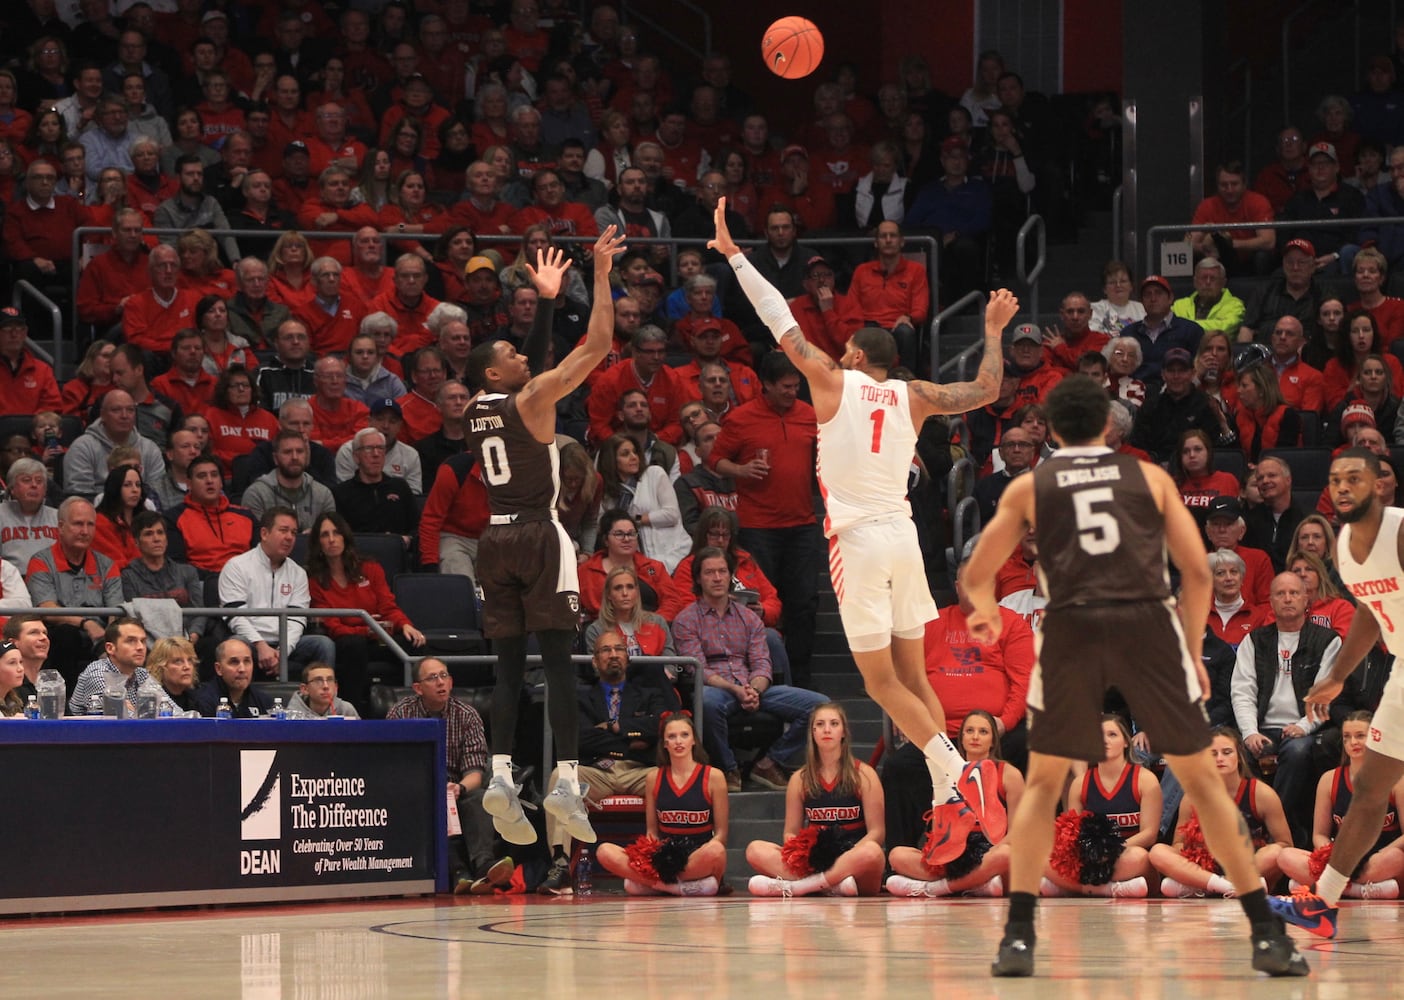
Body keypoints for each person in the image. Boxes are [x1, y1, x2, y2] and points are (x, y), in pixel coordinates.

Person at [962, 375, 1308, 977]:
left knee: (1043, 787)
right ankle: (1265, 933)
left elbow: (974, 574)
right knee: (1202, 783)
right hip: (1146, 624)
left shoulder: (1032, 484)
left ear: (1052, 435)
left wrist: (988, 614)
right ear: (1107, 428)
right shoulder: (1149, 478)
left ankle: (1018, 935)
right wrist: (1192, 652)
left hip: (1070, 627)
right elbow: (1197, 572)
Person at [711, 196, 1017, 846]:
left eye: (845, 348)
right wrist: (991, 330)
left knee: (879, 685)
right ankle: (950, 802)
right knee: (914, 681)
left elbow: (777, 322)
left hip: (858, 540)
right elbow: (988, 391)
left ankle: (958, 774)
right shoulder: (913, 395)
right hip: (905, 537)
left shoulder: (831, 380)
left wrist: (737, 255)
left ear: (854, 354)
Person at [461, 231, 626, 848]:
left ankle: (501, 775)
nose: (524, 355)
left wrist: (544, 300)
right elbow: (600, 345)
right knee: (558, 662)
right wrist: (601, 274)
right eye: (511, 350)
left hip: (493, 541)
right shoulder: (533, 400)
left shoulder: (478, 405)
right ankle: (564, 782)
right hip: (539, 535)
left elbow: (525, 361)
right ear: (495, 370)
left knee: (508, 668)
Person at [1270, 449, 1404, 937]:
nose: (1343, 487)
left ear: (1380, 485)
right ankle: (1321, 905)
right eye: (1335, 480)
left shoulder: (1400, 530)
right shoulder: (1345, 544)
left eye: (1355, 478)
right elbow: (1369, 612)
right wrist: (1338, 676)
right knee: (1369, 787)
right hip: (1403, 675)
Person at [673, 547, 829, 792]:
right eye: (710, 573)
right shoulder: (686, 619)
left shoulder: (749, 617)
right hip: (717, 688)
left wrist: (754, 688)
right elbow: (698, 669)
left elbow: (761, 663)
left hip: (752, 687)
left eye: (722, 571)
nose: (717, 578)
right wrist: (736, 689)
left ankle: (769, 763)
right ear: (698, 579)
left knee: (821, 707)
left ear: (730, 575)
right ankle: (727, 768)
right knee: (706, 702)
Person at [537, 629, 667, 895]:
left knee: (677, 779)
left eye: (618, 649)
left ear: (627, 657)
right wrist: (631, 739)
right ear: (595, 661)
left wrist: (613, 727)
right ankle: (560, 865)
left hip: (640, 771)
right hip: (597, 771)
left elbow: (658, 729)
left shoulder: (648, 693)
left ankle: (678, 860)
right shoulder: (580, 696)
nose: (613, 655)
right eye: (605, 651)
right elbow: (579, 739)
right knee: (560, 778)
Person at [746, 702, 887, 897]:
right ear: (812, 732)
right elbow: (790, 833)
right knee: (755, 849)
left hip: (853, 860)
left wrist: (848, 857)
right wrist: (804, 856)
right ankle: (830, 885)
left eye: (834, 724)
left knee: (873, 852)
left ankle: (803, 886)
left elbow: (877, 832)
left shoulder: (864, 774)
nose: (827, 729)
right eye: (820, 724)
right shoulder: (800, 778)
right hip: (815, 862)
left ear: (844, 732)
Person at [1147, 725, 1292, 895]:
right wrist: (1198, 848)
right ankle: (1223, 886)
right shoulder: (1192, 796)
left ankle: (1201, 887)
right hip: (1205, 867)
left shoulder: (1261, 794)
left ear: (1239, 756)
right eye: (1212, 754)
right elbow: (1178, 843)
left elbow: (1286, 844)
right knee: (1158, 852)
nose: (1219, 759)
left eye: (1227, 752)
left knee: (1276, 852)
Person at [594, 713, 729, 897]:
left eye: (684, 735)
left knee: (717, 850)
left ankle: (651, 885)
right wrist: (654, 860)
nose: (678, 741)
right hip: (664, 857)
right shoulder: (653, 778)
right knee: (605, 851)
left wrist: (703, 853)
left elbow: (721, 834)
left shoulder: (714, 777)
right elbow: (652, 832)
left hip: (698, 857)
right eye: (672, 737)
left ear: (694, 741)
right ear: (665, 744)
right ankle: (677, 887)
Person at [1277, 710, 1404, 898]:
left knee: (1396, 858)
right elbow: (1319, 835)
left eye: (1361, 736)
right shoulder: (1329, 780)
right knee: (1285, 856)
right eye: (1347, 737)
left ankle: (1325, 888)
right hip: (1342, 862)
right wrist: (1331, 856)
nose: (1353, 742)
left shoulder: (1396, 779)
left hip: (1378, 861)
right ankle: (1360, 891)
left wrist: (1380, 854)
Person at [306, 511, 424, 710]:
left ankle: (411, 708)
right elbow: (334, 626)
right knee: (354, 645)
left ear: (346, 536)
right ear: (318, 543)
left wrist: (405, 624)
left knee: (412, 642)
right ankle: (354, 710)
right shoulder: (314, 579)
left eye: (336, 533)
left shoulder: (370, 568)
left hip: (377, 636)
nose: (332, 540)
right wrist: (367, 629)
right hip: (349, 641)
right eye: (325, 535)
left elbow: (387, 607)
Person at [1039, 715, 1161, 897]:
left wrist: (1111, 850)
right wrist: (1090, 852)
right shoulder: (1080, 784)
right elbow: (1072, 833)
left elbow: (1149, 835)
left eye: (1112, 735)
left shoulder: (1145, 780)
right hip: (1093, 858)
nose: (1105, 740)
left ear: (1126, 742)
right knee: (1041, 859)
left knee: (1140, 857)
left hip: (1127, 855)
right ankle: (1109, 890)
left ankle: (1073, 888)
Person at [218, 507, 336, 679]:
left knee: (323, 645)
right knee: (236, 644)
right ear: (264, 533)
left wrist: (282, 653)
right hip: (250, 642)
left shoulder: (298, 573)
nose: (289, 537)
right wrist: (261, 645)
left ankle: (323, 703)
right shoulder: (236, 566)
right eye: (283, 530)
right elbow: (234, 616)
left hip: (286, 643)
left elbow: (297, 619)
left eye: (294, 532)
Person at [596, 434, 690, 572]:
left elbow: (672, 514)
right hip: (642, 562)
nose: (634, 457)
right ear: (611, 460)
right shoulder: (608, 495)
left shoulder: (654, 474)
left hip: (676, 553)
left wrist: (636, 520)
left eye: (635, 452)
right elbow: (601, 525)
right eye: (625, 454)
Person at [192, 638, 272, 718]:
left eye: (247, 661)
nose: (242, 669)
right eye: (234, 662)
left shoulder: (263, 701)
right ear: (218, 669)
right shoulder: (203, 700)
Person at [285, 662, 360, 719]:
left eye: (330, 680)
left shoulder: (346, 710)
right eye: (318, 680)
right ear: (305, 689)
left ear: (336, 687)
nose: (326, 686)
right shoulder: (292, 714)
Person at [144, 635, 198, 712]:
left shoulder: (197, 700)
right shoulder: (151, 702)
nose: (187, 667)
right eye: (178, 661)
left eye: (190, 660)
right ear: (160, 667)